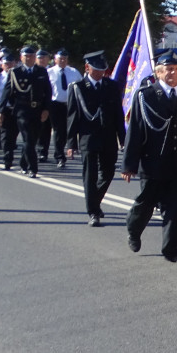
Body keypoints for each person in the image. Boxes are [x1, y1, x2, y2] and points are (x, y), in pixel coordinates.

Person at [121, 50, 177, 262]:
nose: (173, 73)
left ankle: (172, 249)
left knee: (176, 209)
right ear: (158, 73)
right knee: (145, 204)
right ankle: (134, 230)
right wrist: (129, 164)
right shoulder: (146, 95)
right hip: (153, 163)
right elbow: (136, 131)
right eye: (168, 69)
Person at [67, 52, 126, 226]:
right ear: (87, 68)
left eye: (103, 70)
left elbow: (118, 115)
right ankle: (93, 212)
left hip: (108, 137)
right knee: (89, 176)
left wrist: (122, 138)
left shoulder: (111, 86)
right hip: (88, 138)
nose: (101, 73)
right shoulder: (78, 87)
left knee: (108, 173)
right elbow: (72, 117)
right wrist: (71, 143)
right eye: (97, 69)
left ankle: (95, 202)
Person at [0, 45, 51, 177]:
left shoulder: (41, 72)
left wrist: (46, 109)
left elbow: (48, 92)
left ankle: (23, 163)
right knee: (28, 138)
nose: (29, 58)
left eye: (31, 56)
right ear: (21, 57)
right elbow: (6, 93)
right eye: (26, 56)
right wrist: (0, 111)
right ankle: (33, 168)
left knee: (32, 139)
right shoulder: (15, 72)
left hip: (37, 110)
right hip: (22, 110)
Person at [49, 49, 83, 168]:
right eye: (60, 58)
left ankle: (72, 148)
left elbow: (81, 87)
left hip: (71, 104)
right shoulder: (50, 72)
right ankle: (59, 156)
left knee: (71, 129)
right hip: (55, 104)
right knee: (59, 131)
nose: (62, 61)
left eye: (65, 58)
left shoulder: (73, 72)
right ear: (55, 59)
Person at [0, 52, 17, 157]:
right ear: (2, 65)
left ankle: (10, 147)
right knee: (4, 132)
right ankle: (7, 154)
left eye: (11, 63)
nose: (9, 65)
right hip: (1, 107)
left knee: (14, 132)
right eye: (6, 63)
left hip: (16, 108)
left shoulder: (18, 77)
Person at [36, 49, 53, 160]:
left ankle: (43, 151)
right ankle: (34, 150)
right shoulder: (34, 71)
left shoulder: (52, 71)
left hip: (51, 104)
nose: (42, 60)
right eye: (40, 58)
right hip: (36, 104)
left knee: (47, 129)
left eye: (44, 58)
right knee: (36, 128)